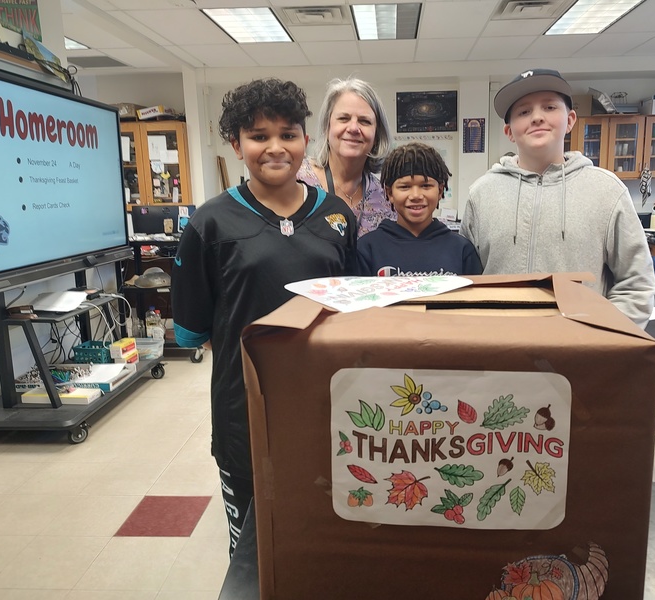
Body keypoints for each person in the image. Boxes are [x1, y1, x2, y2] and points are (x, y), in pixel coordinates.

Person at [171, 78, 357, 557]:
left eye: (288, 134)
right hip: (244, 410)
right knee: (253, 549)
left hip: (329, 404)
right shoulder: (209, 224)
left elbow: (355, 308)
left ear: (305, 141)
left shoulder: (336, 217)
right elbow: (194, 331)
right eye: (258, 135)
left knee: (323, 534)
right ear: (236, 144)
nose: (275, 147)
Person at [460, 68, 655, 327]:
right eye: (524, 112)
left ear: (571, 119)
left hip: (580, 354)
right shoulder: (482, 193)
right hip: (501, 348)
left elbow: (636, 284)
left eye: (550, 107)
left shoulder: (606, 191)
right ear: (509, 131)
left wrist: (600, 336)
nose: (537, 117)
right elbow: (466, 281)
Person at [357, 142, 482, 276]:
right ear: (389, 193)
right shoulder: (368, 249)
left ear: (440, 191)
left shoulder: (461, 250)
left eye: (426, 186)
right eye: (404, 187)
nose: (416, 196)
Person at [297, 77, 396, 237]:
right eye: (343, 118)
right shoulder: (296, 181)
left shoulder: (386, 198)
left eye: (364, 121)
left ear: (377, 134)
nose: (353, 128)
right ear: (327, 127)